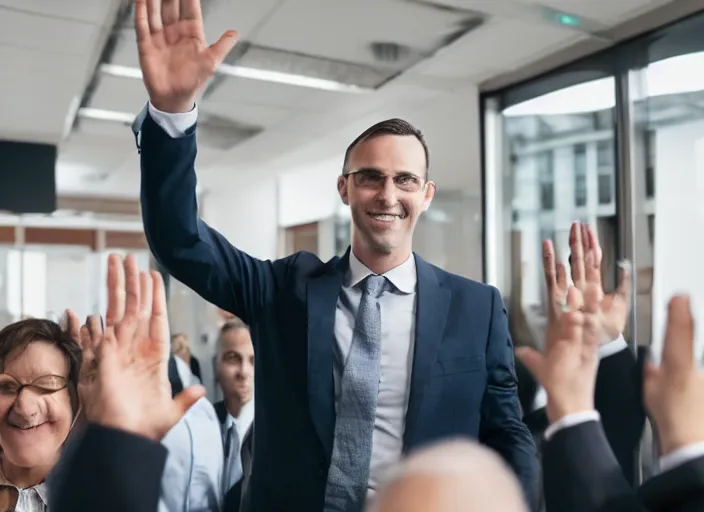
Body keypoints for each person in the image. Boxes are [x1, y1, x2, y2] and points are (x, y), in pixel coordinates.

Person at [131, 0, 538, 510]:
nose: (388, 194)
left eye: (405, 180)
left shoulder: (476, 308)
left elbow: (508, 434)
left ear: (426, 194)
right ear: (345, 189)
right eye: (370, 177)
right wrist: (171, 114)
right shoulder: (282, 290)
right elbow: (179, 240)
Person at [213, 319, 255, 512]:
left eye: (254, 361)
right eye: (233, 358)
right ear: (216, 366)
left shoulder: (277, 433)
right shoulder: (203, 423)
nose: (244, 372)